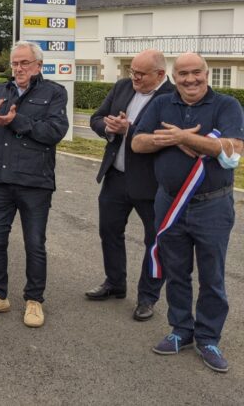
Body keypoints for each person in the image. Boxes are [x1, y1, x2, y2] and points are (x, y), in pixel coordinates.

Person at [133, 52, 244, 373]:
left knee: (213, 275)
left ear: (206, 74)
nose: (190, 79)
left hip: (213, 205)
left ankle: (209, 337)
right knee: (177, 270)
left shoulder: (226, 106)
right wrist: (166, 139)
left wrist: (187, 138)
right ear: (174, 76)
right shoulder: (162, 103)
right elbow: (138, 142)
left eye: (196, 73)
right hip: (169, 203)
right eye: (183, 74)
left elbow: (235, 148)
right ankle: (181, 330)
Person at [0, 41, 69, 328]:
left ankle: (34, 300)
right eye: (15, 63)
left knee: (35, 243)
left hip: (35, 183)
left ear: (38, 65)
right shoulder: (2, 90)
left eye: (24, 63)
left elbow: (54, 132)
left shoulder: (54, 92)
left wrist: (17, 120)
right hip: (0, 180)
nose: (18, 68)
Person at [86, 49, 173, 321]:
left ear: (160, 74)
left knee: (155, 242)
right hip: (116, 176)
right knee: (109, 232)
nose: (133, 77)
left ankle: (148, 297)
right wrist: (108, 127)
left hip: (152, 183)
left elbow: (166, 136)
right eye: (131, 71)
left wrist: (130, 129)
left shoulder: (173, 97)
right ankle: (115, 283)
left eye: (140, 73)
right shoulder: (123, 86)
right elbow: (96, 118)